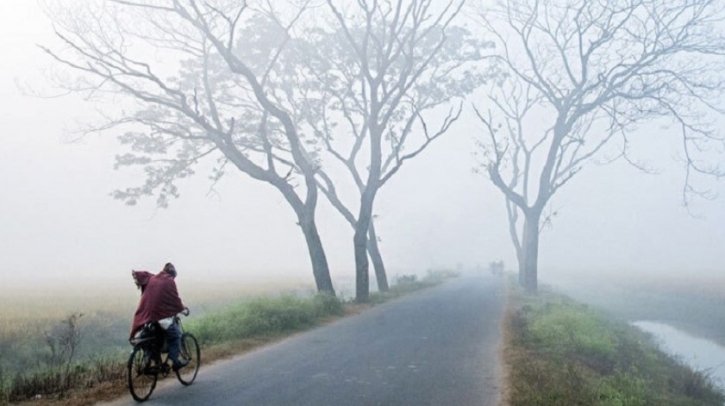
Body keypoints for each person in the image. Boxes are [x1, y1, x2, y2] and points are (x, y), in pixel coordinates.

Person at [130, 262, 189, 371]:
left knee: (153, 338)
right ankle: (170, 362)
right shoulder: (169, 281)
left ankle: (153, 361)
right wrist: (183, 309)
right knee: (176, 336)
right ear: (172, 274)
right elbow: (175, 300)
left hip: (148, 317)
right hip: (161, 316)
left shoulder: (153, 279)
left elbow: (144, 275)